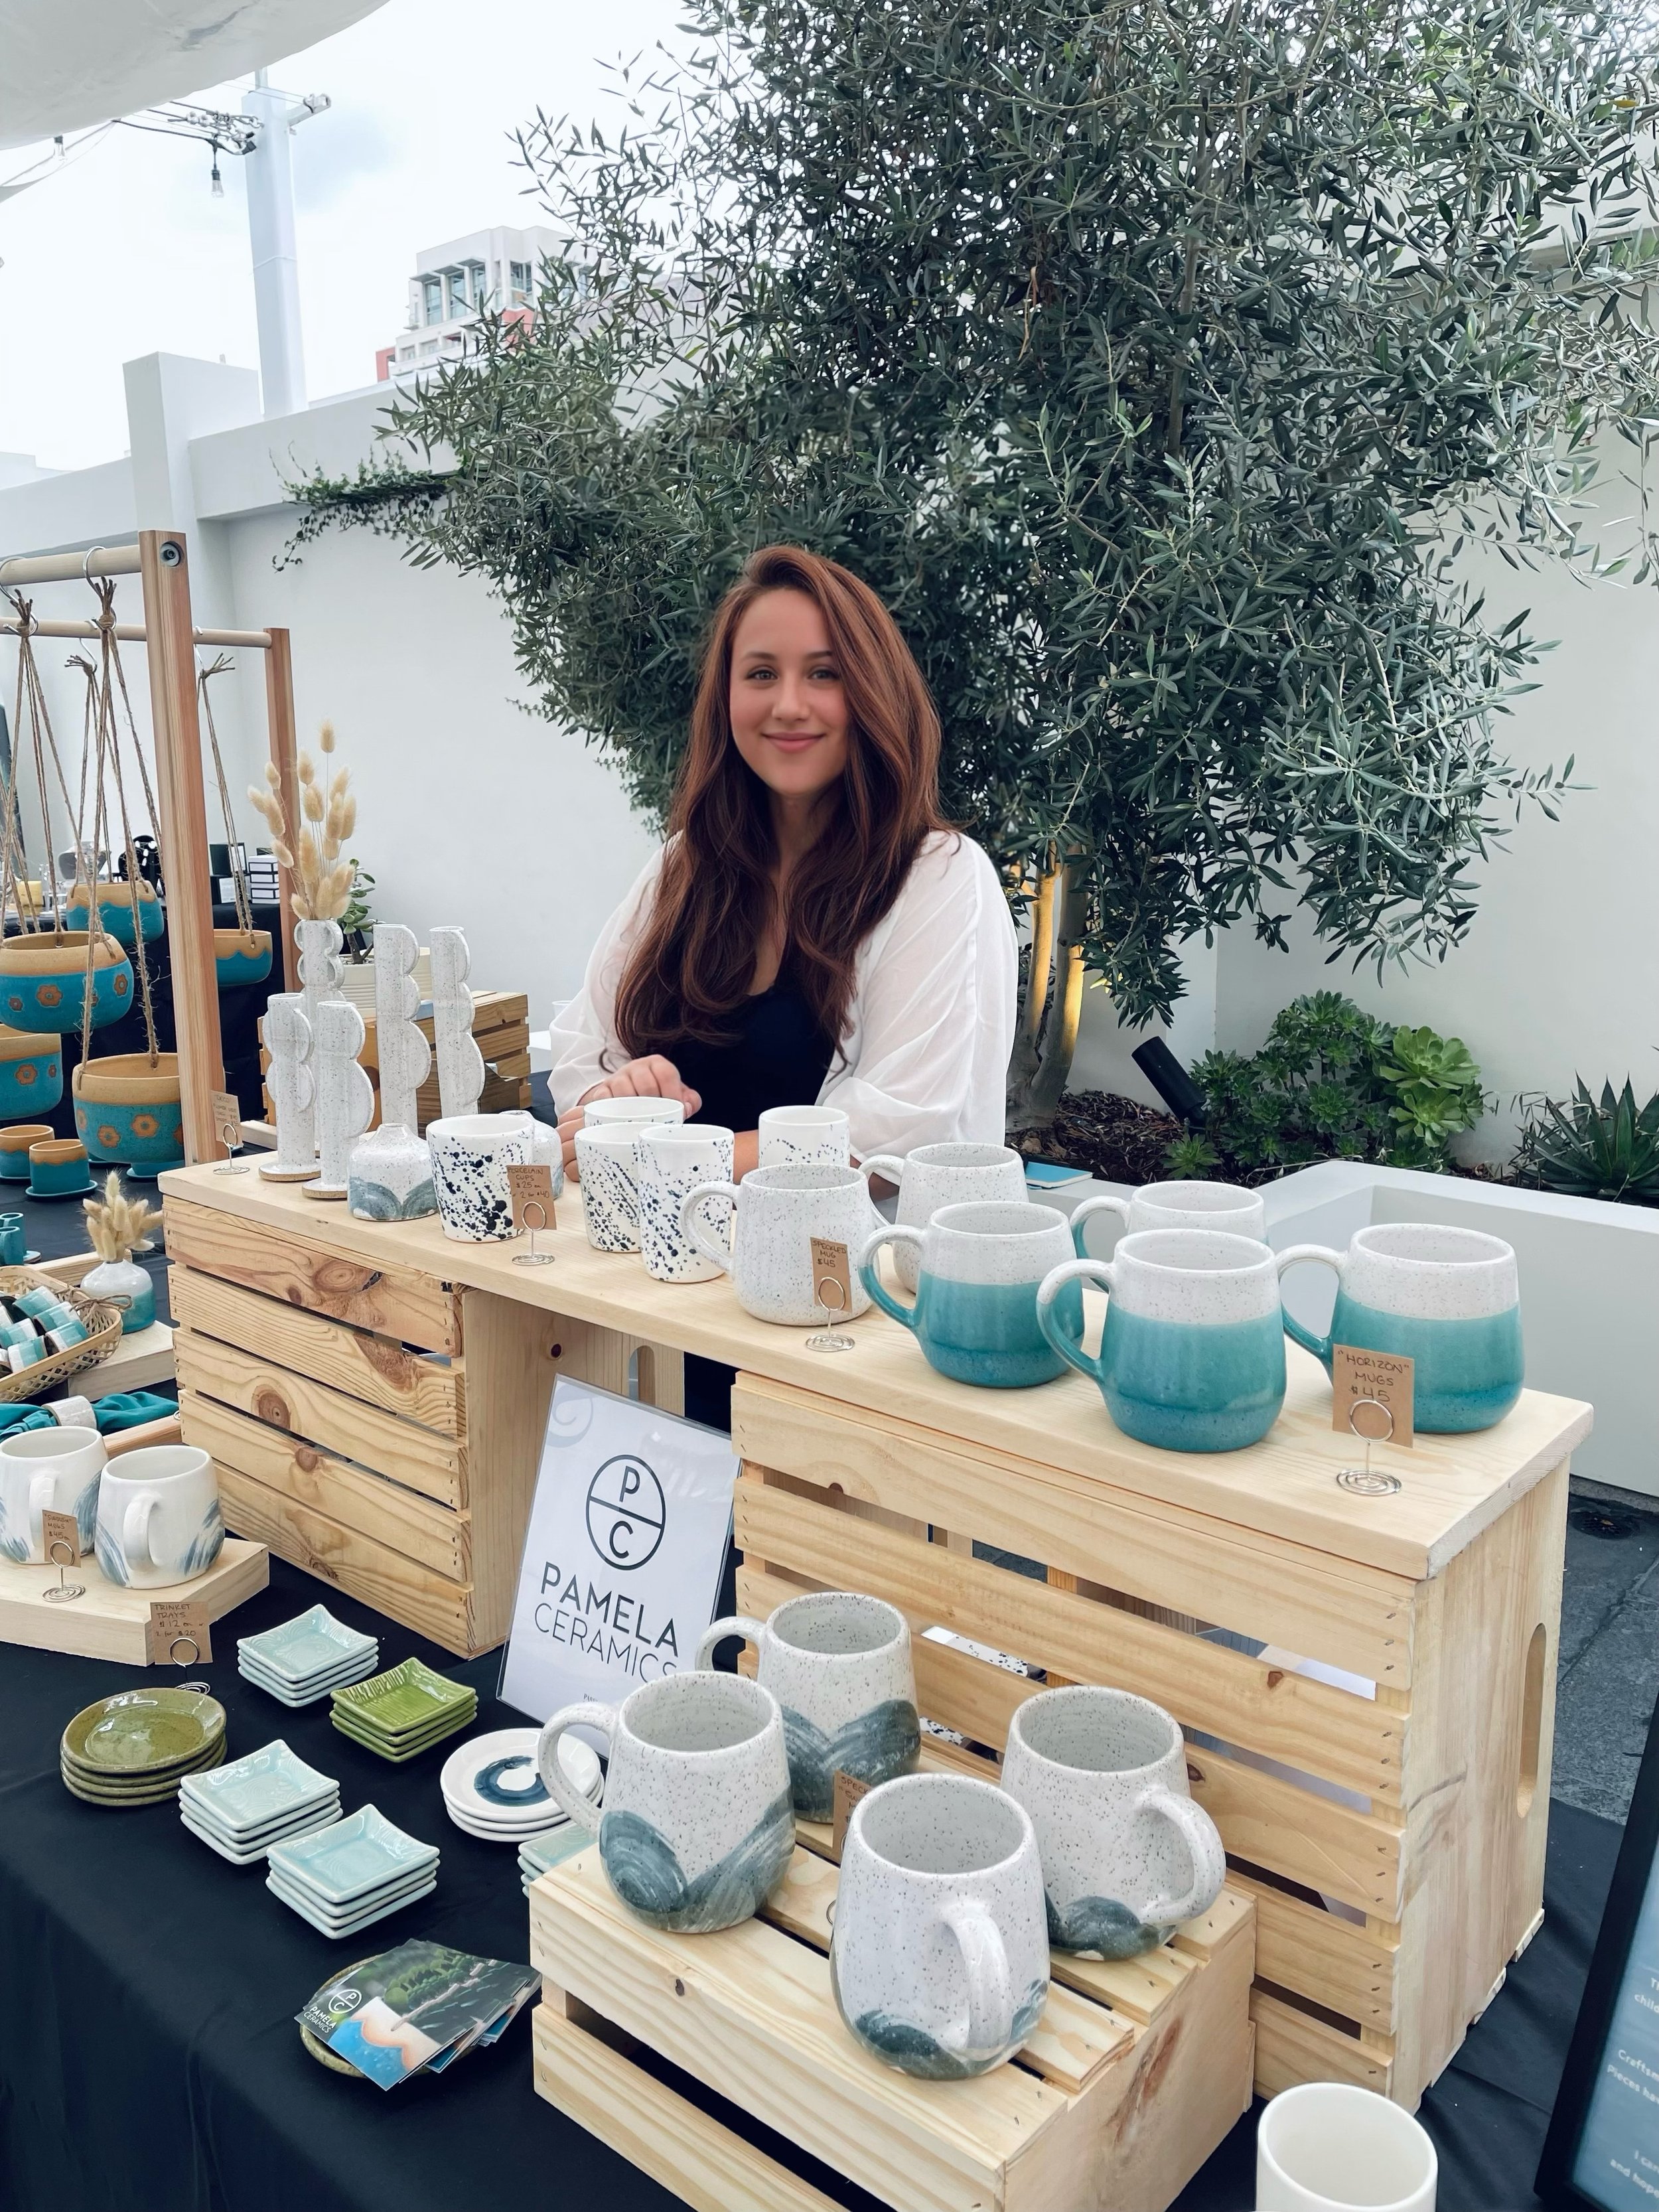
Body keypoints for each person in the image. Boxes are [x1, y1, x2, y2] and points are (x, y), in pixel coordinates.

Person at [549, 544, 1017, 1428]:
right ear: (726, 699)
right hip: (662, 1325)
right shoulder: (685, 868)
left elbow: (895, 1132)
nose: (789, 704)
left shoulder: (938, 878)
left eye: (824, 673)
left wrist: (662, 1158)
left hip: (835, 1345)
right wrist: (620, 1098)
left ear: (872, 692)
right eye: (760, 673)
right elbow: (584, 1045)